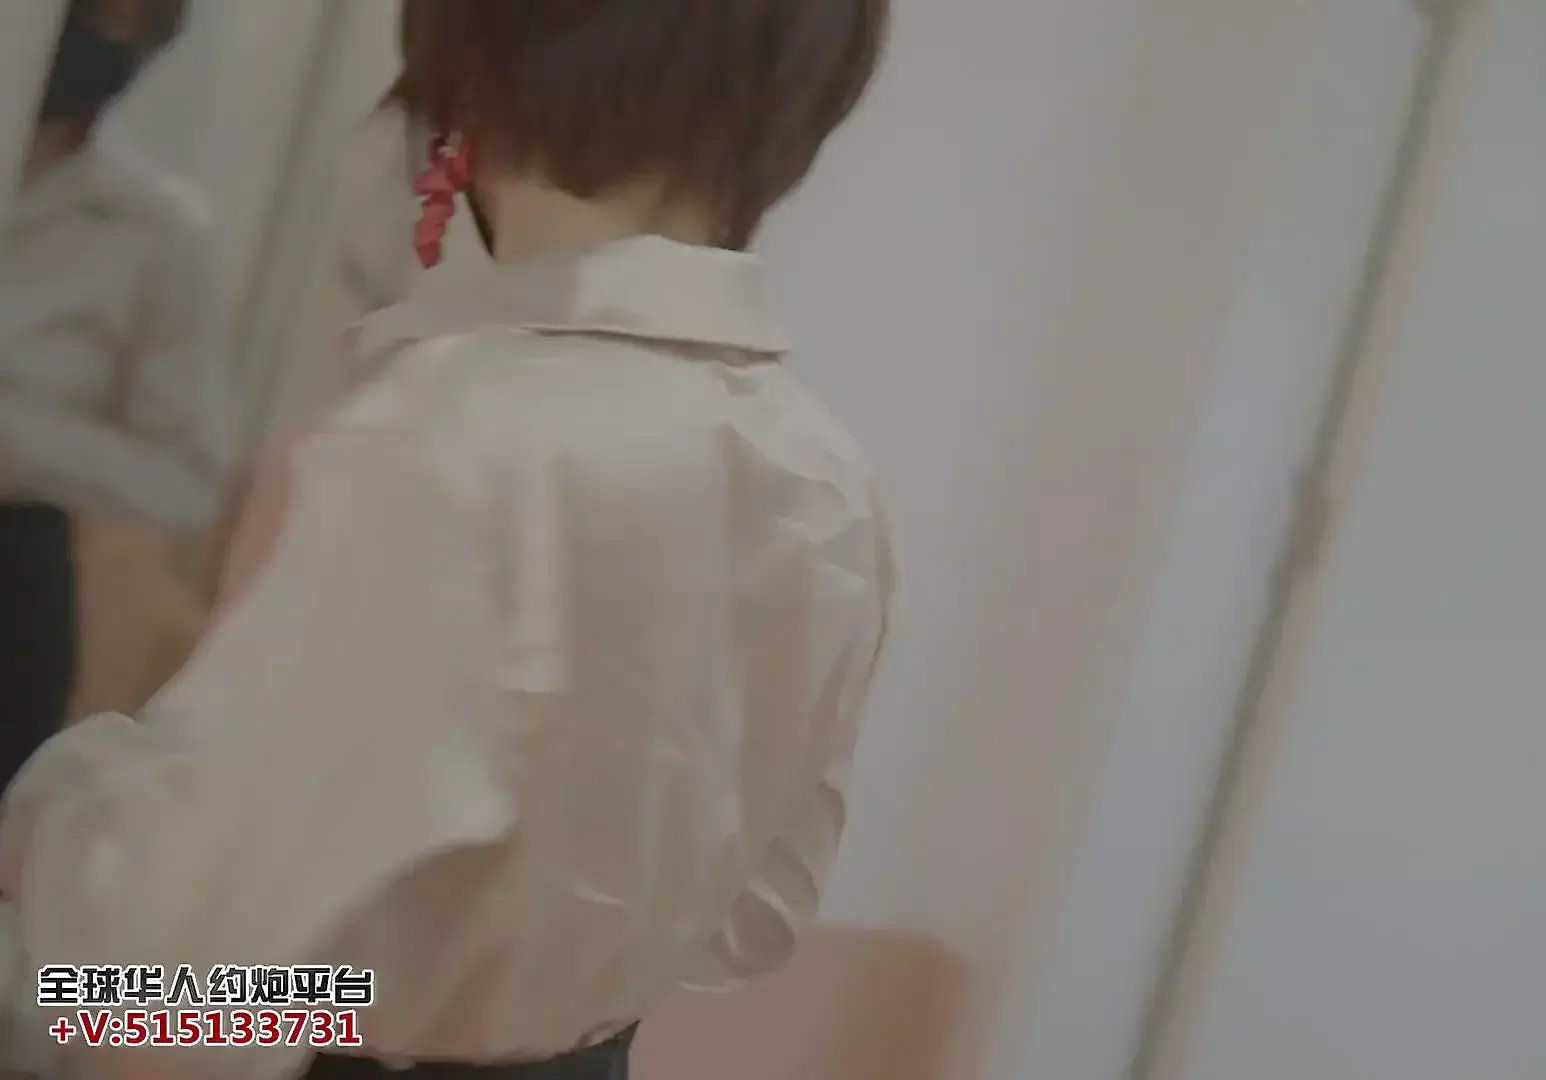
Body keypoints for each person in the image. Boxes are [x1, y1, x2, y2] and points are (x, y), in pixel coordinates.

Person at [0, 1, 893, 1078]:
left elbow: (194, 990)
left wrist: (52, 829)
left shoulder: (435, 442)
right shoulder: (826, 475)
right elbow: (755, 919)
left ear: (473, 70)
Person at [0, 0, 230, 780]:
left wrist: (20, 443)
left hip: (14, 574)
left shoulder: (158, 232)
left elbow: (186, 475)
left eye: (126, 21)